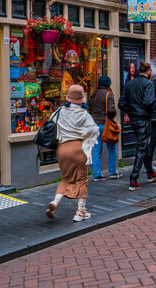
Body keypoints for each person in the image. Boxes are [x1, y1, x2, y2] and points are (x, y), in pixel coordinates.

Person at [46, 85, 99, 222]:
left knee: (66, 178)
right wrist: (85, 138)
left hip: (62, 149)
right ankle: (80, 211)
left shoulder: (60, 111)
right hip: (78, 148)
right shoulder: (84, 114)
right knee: (82, 179)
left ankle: (56, 201)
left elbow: (51, 122)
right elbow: (94, 131)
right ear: (82, 99)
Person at [118, 61, 156, 191]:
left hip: (133, 119)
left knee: (143, 145)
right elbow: (149, 102)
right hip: (143, 119)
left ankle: (150, 172)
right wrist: (150, 112)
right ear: (148, 72)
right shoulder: (148, 84)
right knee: (141, 148)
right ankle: (133, 179)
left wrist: (131, 111)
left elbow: (121, 103)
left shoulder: (130, 84)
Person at [88, 76, 121, 181]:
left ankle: (96, 174)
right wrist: (113, 115)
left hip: (94, 125)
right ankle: (112, 171)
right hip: (105, 125)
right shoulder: (108, 94)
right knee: (112, 148)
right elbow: (111, 110)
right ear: (108, 84)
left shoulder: (92, 95)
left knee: (96, 150)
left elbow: (88, 110)